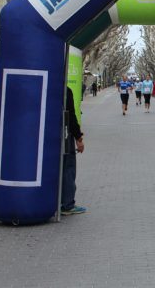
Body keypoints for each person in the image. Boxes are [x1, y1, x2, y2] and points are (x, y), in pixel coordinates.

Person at [61, 87, 86, 216]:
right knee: (68, 168)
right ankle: (67, 204)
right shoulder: (65, 90)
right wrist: (78, 137)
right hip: (64, 136)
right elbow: (70, 116)